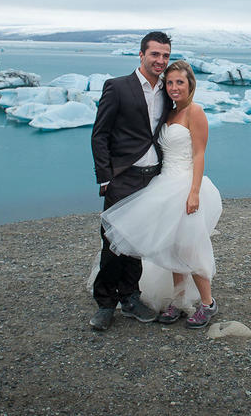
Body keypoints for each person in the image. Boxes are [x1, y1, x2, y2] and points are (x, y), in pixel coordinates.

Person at [101, 60, 223, 329]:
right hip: (164, 182)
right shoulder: (170, 113)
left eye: (180, 82)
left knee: (190, 245)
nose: (174, 87)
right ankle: (179, 301)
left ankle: (207, 303)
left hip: (186, 184)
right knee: (172, 245)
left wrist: (194, 192)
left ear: (190, 83)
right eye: (169, 82)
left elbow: (199, 154)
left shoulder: (195, 111)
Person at [89, 31, 172, 331]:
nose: (160, 60)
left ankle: (130, 297)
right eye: (155, 54)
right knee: (112, 242)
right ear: (141, 55)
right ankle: (105, 304)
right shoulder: (118, 87)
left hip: (153, 179)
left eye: (165, 55)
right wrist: (105, 178)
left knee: (137, 242)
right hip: (123, 177)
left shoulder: (167, 90)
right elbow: (100, 135)